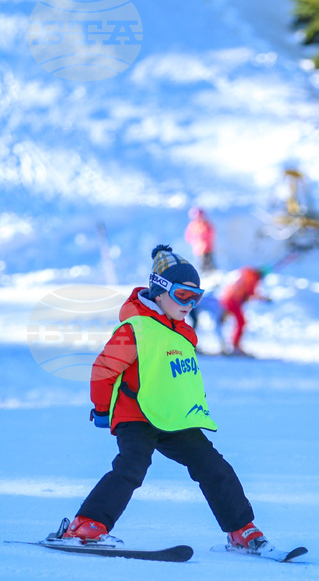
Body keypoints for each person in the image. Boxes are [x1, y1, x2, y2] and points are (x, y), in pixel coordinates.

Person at [53, 244, 278, 555]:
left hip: (173, 418)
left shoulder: (183, 333)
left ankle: (241, 530)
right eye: (182, 295)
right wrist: (103, 410)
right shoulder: (136, 329)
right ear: (159, 292)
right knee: (131, 467)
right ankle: (85, 525)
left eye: (195, 297)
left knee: (214, 467)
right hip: (136, 414)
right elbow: (103, 370)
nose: (189, 303)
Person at [218, 265, 271, 356]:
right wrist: (264, 298)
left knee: (236, 321)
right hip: (233, 300)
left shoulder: (246, 273)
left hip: (228, 298)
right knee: (241, 322)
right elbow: (251, 292)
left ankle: (230, 344)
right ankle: (235, 346)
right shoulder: (253, 277)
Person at [184, 206, 216, 272]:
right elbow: (188, 237)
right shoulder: (192, 225)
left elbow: (211, 235)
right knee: (200, 264)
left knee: (209, 263)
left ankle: (212, 275)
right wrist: (195, 241)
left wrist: (204, 241)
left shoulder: (206, 224)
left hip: (207, 249)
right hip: (198, 250)